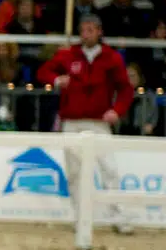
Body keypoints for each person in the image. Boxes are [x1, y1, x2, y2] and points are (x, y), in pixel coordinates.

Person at [36, 13, 135, 234]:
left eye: (90, 30)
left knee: (110, 170)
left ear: (99, 31)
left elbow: (125, 89)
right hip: (71, 121)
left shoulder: (111, 58)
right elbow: (43, 72)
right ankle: (81, 218)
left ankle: (120, 217)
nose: (86, 34)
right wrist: (56, 80)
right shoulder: (68, 54)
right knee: (74, 173)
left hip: (99, 122)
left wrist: (117, 110)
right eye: (83, 30)